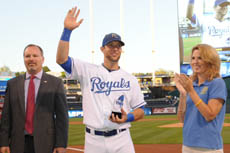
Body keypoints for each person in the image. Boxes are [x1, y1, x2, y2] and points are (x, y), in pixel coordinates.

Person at [56, 7, 146, 153]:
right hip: (94, 141)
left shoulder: (130, 79)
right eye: (110, 45)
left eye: (118, 46)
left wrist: (127, 117)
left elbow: (141, 110)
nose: (115, 49)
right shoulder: (87, 70)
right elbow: (61, 59)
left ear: (121, 50)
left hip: (121, 139)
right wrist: (67, 31)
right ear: (102, 49)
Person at [0, 44, 69, 153]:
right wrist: (3, 142)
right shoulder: (13, 84)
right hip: (17, 143)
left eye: (35, 55)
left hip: (46, 143)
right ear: (24, 59)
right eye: (27, 56)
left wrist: (61, 144)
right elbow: (6, 116)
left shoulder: (55, 83)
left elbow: (62, 117)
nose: (31, 59)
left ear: (42, 59)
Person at [175, 44, 227, 153]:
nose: (195, 62)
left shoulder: (217, 83)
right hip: (188, 145)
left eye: (200, 58)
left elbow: (210, 115)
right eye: (193, 58)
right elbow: (182, 119)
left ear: (210, 61)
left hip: (209, 147)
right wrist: (183, 94)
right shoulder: (192, 85)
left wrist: (191, 91)